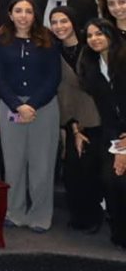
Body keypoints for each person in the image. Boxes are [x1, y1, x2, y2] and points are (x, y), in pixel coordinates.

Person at [0, 0, 61, 232]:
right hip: (11, 106)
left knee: (42, 164)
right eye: (18, 11)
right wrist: (17, 105)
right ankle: (15, 212)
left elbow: (54, 77)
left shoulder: (48, 40)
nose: (23, 16)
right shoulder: (1, 42)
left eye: (28, 11)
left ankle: (40, 215)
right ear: (10, 15)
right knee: (13, 163)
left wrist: (32, 104)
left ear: (35, 15)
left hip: (43, 107)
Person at [48, 6, 102, 234]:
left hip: (96, 117)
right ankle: (79, 215)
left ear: (73, 22)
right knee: (73, 170)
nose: (59, 26)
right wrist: (73, 126)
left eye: (64, 21)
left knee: (91, 168)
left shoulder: (91, 48)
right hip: (70, 118)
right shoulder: (53, 51)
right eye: (54, 22)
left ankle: (93, 216)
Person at [78, 18, 126, 249]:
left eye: (99, 33)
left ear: (111, 34)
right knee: (112, 178)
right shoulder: (90, 64)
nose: (94, 39)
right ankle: (120, 233)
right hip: (111, 131)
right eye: (89, 35)